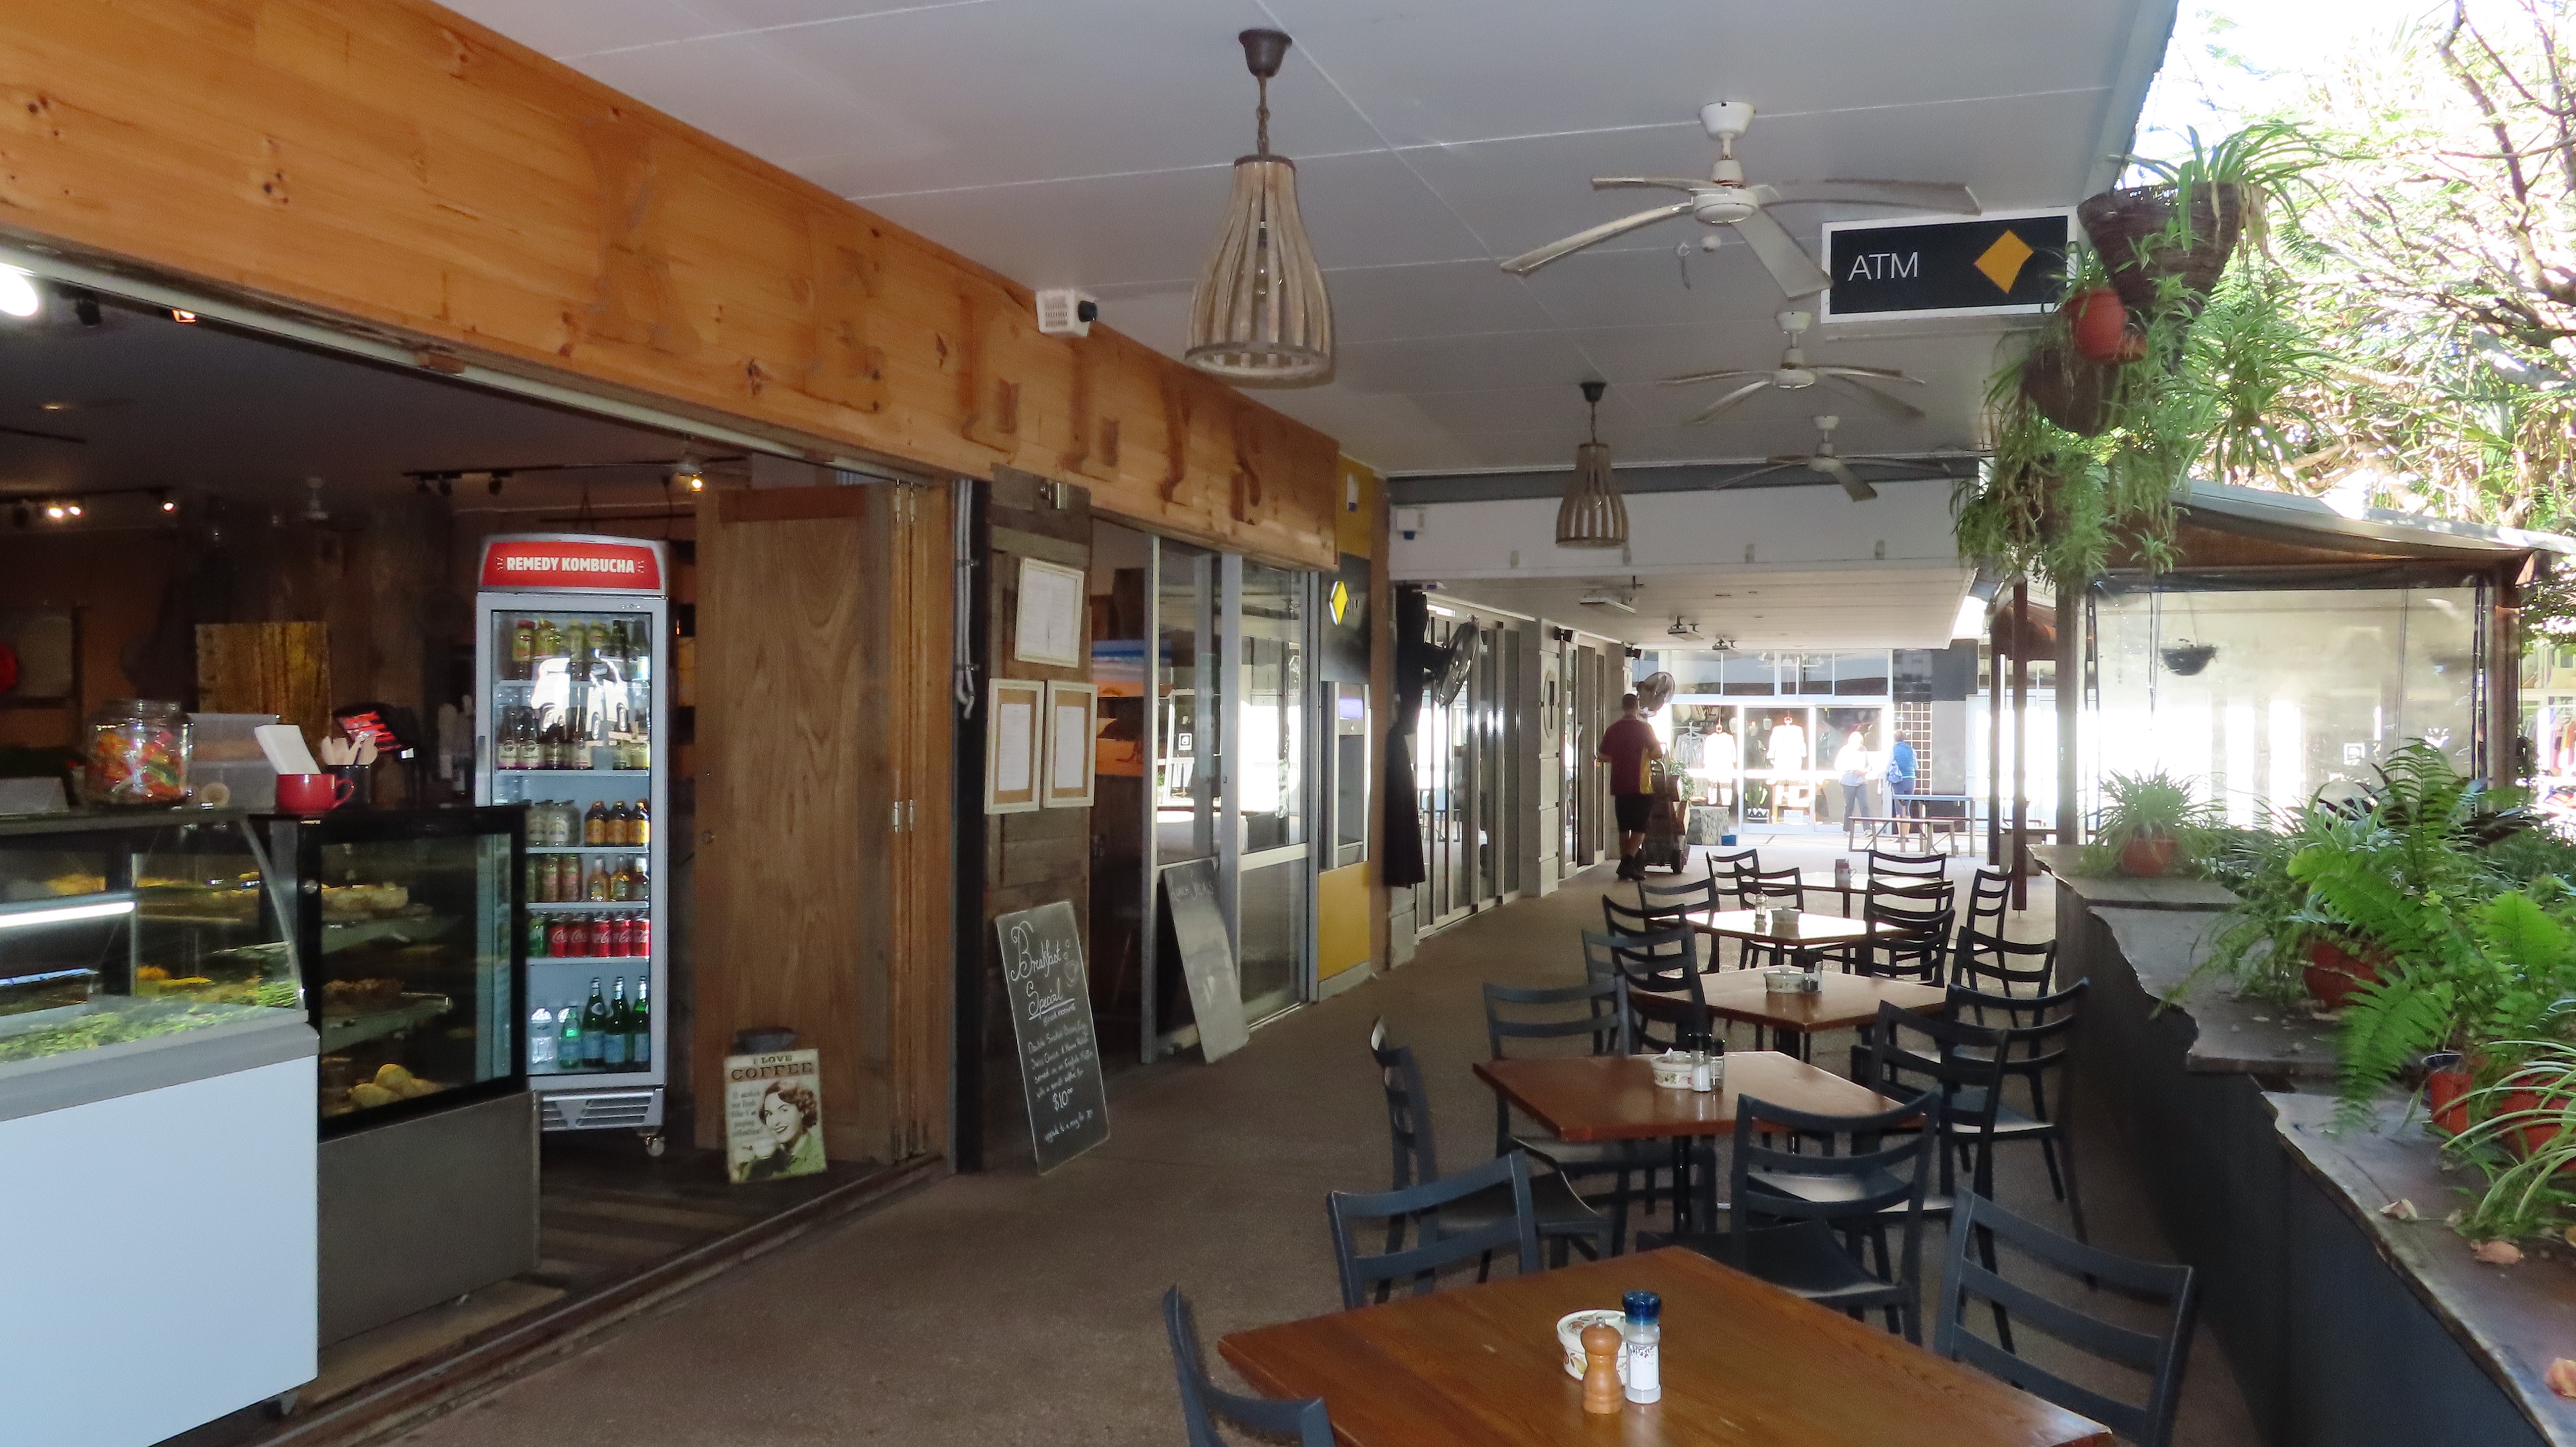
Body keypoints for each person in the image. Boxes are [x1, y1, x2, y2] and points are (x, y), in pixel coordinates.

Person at [1597, 692, 1665, 881]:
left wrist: (1619, 758)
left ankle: (1627, 866)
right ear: (1637, 708)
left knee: (1624, 827)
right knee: (1640, 828)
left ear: (1622, 707)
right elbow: (1658, 753)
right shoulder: (1645, 729)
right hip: (1641, 785)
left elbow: (1602, 756)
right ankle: (1627, 863)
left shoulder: (1613, 729)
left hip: (1620, 784)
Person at [1833, 730, 1871, 824]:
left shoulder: (1863, 750)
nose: (1858, 745)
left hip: (1861, 782)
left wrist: (1865, 771)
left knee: (1864, 805)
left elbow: (1869, 765)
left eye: (1860, 742)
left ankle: (1867, 829)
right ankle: (1847, 829)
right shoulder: (1845, 750)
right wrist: (1854, 769)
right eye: (1856, 742)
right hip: (1848, 782)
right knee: (1849, 806)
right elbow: (1838, 766)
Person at [1885, 735, 1918, 833]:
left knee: (1899, 808)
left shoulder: (1895, 750)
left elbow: (1889, 765)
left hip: (1899, 780)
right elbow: (1916, 766)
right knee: (1907, 807)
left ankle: (1901, 836)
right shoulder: (1911, 750)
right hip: (1911, 780)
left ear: (1895, 739)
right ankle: (1907, 834)